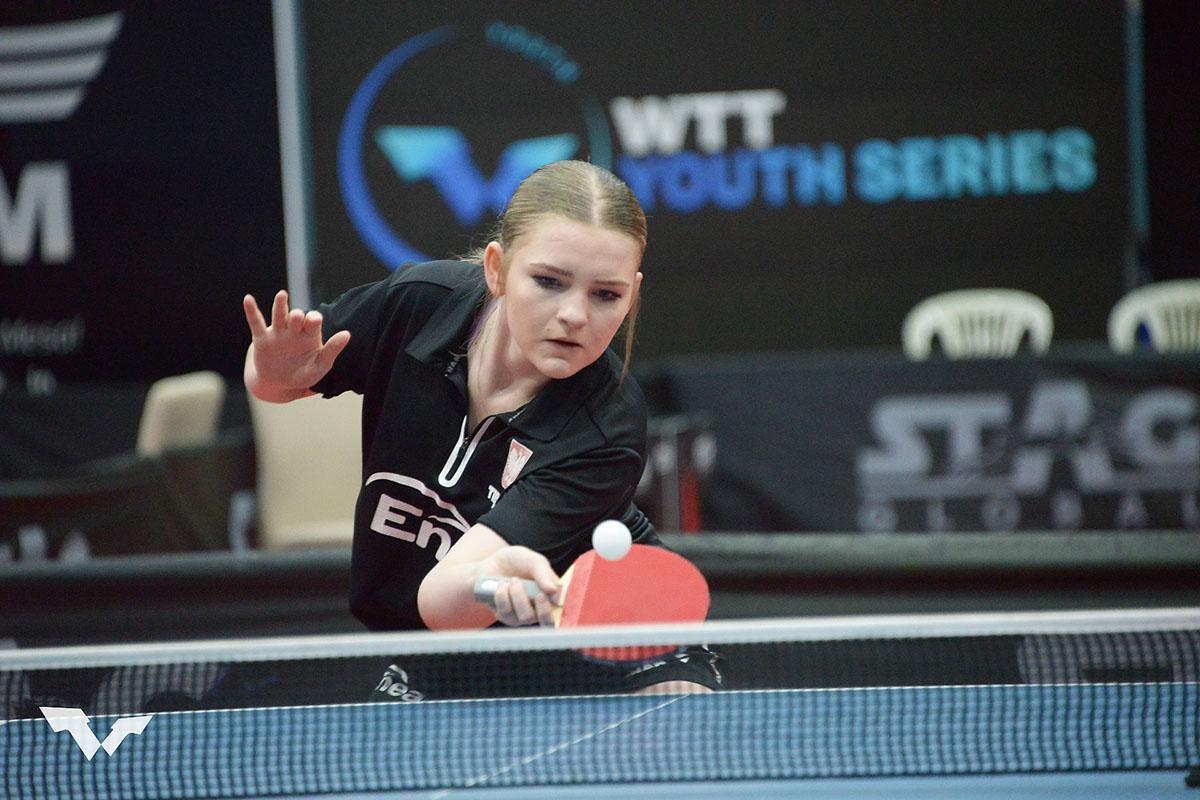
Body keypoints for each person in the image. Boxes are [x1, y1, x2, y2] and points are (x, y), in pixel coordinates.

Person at [243, 160, 720, 697]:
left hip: (618, 640)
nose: (575, 315)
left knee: (678, 727)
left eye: (605, 295)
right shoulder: (418, 306)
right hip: (448, 652)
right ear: (497, 268)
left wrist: (484, 577)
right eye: (549, 282)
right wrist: (273, 372)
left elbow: (443, 601)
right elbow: (273, 382)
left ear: (631, 293)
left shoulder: (606, 425)